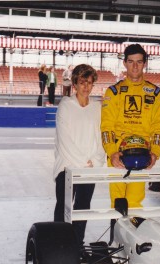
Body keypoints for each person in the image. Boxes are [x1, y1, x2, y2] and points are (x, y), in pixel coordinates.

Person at [101, 43, 160, 208]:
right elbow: (106, 127)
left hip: (143, 153)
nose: (135, 66)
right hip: (118, 154)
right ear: (124, 63)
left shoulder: (155, 93)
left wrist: (155, 153)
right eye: (131, 61)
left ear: (145, 63)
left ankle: (131, 232)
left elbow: (159, 128)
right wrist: (112, 152)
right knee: (117, 204)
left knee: (135, 203)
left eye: (139, 61)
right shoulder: (113, 92)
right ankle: (116, 233)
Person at [53, 64, 105, 245]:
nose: (86, 86)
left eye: (90, 83)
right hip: (67, 167)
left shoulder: (97, 108)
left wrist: (96, 161)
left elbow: (101, 138)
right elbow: (64, 140)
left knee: (83, 208)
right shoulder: (65, 106)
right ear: (75, 83)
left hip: (89, 170)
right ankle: (59, 247)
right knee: (63, 208)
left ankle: (76, 246)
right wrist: (84, 162)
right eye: (82, 82)